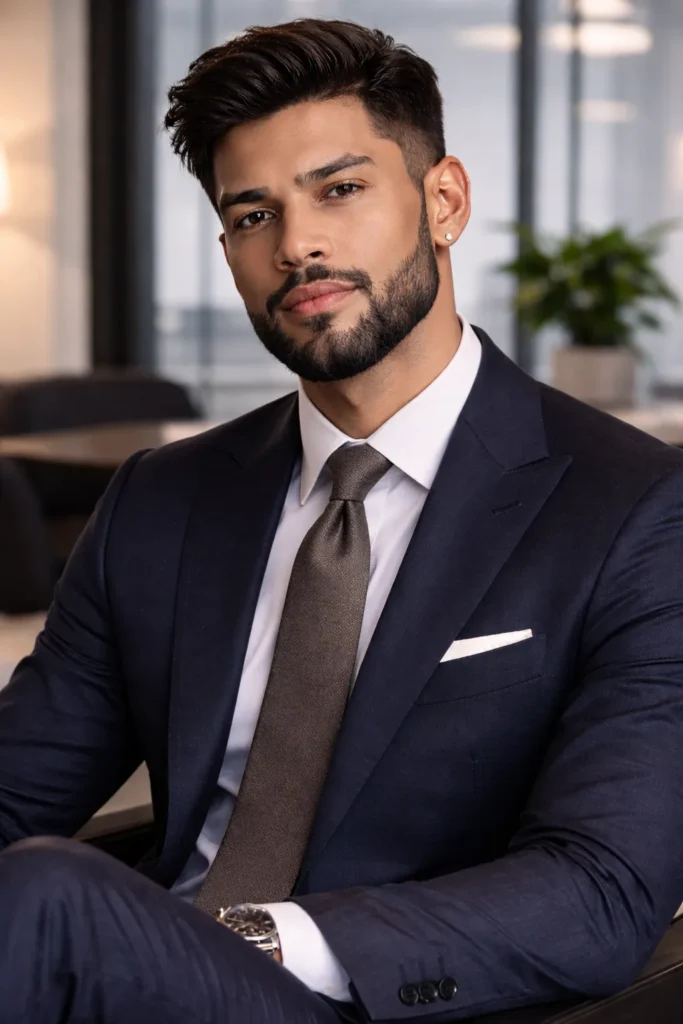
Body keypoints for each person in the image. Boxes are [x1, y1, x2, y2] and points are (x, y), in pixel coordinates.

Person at [1, 17, 683, 1024]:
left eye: (340, 189)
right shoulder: (163, 499)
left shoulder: (633, 506)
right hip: (128, 980)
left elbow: (600, 888)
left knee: (50, 897)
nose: (296, 243)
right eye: (250, 215)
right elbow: (19, 787)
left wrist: (251, 938)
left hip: (377, 999)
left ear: (441, 200)